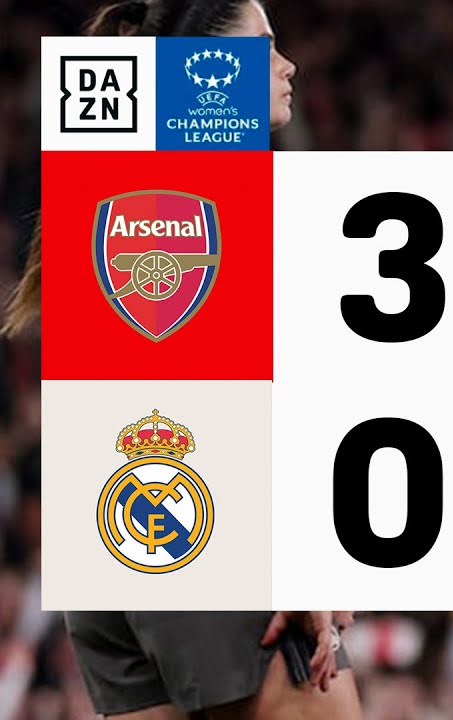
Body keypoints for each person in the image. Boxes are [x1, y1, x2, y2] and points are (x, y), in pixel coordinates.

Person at [10, 2, 362, 718]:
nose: (288, 65)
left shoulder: (116, 173)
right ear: (207, 70)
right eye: (264, 47)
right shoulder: (209, 186)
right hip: (199, 520)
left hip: (115, 523)